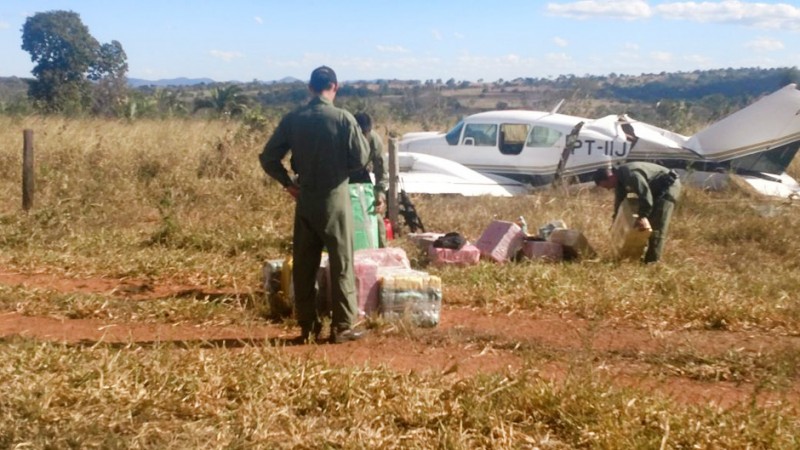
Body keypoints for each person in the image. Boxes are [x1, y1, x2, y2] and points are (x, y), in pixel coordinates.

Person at [259, 66, 370, 344]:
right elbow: (361, 158)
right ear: (335, 86)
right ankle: (342, 326)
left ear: (310, 88)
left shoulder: (293, 119)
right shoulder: (343, 119)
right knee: (341, 262)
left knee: (305, 265)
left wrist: (288, 183)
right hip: (336, 199)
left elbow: (269, 158)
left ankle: (307, 326)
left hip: (305, 198)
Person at [594, 162, 681, 263]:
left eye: (606, 186)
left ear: (610, 176)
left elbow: (645, 197)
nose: (608, 189)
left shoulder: (631, 175)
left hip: (668, 186)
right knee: (643, 226)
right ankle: (640, 257)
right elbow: (619, 205)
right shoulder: (619, 181)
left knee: (657, 227)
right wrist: (615, 223)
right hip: (655, 189)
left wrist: (642, 216)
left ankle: (652, 262)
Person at [350, 112, 389, 247]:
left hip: (362, 178)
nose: (363, 138)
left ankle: (382, 252)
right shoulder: (340, 138)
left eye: (366, 134)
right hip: (343, 179)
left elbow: (381, 169)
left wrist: (380, 194)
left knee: (375, 219)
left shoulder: (374, 139)